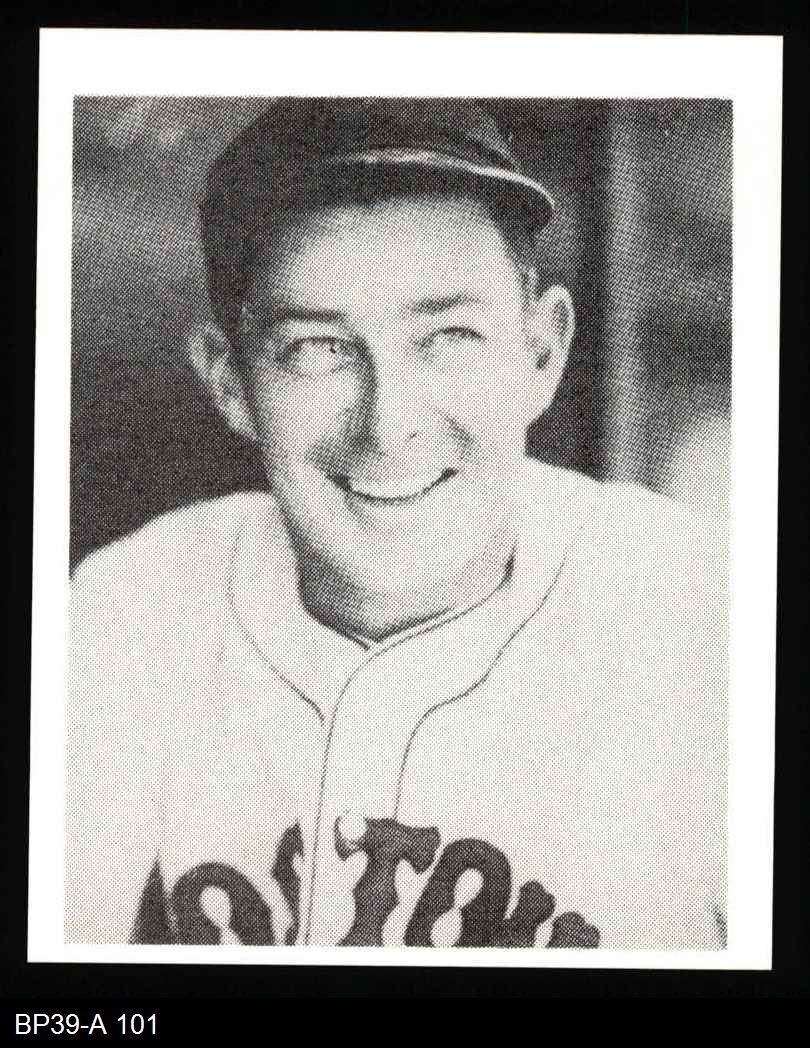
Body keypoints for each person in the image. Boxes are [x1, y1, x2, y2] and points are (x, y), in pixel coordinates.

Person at [66, 98, 727, 949]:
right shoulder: (129, 608)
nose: (388, 426)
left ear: (541, 352)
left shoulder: (709, 617)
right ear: (230, 382)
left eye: (449, 336)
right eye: (319, 348)